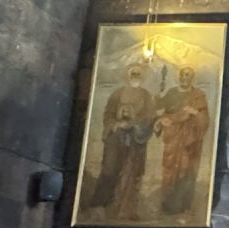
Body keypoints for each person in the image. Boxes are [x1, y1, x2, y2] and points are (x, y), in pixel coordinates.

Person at [88, 62, 154, 219]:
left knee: (131, 172)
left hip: (136, 139)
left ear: (143, 76)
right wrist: (115, 124)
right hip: (116, 137)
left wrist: (133, 123)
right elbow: (108, 115)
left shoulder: (146, 95)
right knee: (109, 169)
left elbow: (149, 117)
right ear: (128, 75)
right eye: (133, 72)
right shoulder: (117, 94)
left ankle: (124, 209)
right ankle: (100, 204)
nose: (135, 75)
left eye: (138, 73)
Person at [153, 65, 211, 217]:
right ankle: (167, 205)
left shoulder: (198, 95)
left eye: (187, 75)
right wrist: (161, 120)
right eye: (182, 74)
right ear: (179, 76)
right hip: (173, 138)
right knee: (170, 169)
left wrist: (195, 112)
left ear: (192, 78)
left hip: (190, 141)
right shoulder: (172, 93)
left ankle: (183, 207)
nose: (184, 77)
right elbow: (162, 112)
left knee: (186, 170)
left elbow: (205, 120)